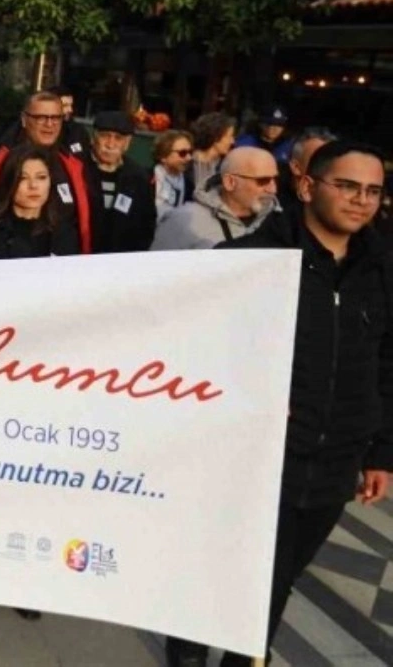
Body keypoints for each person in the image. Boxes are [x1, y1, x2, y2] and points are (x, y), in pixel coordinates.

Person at [168, 140, 393, 667]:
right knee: (224, 565)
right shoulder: (249, 262)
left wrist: (381, 452)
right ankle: (189, 648)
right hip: (254, 455)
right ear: (308, 186)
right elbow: (193, 351)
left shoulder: (381, 271)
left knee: (279, 575)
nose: (361, 200)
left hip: (335, 460)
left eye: (373, 191)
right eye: (347, 186)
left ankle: (245, 657)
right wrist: (246, 393)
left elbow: (387, 363)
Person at [0, 91, 97, 259]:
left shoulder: (73, 165)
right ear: (24, 119)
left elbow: (81, 225)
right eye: (41, 117)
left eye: (56, 118)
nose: (49, 124)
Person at [0, 143, 79, 260]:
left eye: (41, 177)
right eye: (23, 178)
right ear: (9, 182)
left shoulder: (65, 233)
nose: (33, 185)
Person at [151, 147, 279, 251]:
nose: (273, 189)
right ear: (230, 182)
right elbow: (156, 269)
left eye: (275, 179)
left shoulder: (279, 222)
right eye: (263, 181)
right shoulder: (183, 221)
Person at [89, 110, 156, 253]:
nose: (110, 144)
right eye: (105, 136)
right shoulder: (78, 169)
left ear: (127, 143)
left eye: (118, 138)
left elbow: (146, 225)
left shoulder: (139, 177)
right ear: (94, 137)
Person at [278, 127, 337, 216]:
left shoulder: (337, 200)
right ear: (296, 167)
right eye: (318, 159)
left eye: (330, 159)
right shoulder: (273, 201)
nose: (326, 166)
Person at [186, 112, 236, 197]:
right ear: (216, 137)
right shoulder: (186, 163)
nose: (232, 141)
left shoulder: (227, 166)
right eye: (229, 136)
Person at [152, 130, 195, 221]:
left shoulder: (189, 186)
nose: (189, 158)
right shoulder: (146, 179)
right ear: (163, 156)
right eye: (182, 153)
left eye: (190, 152)